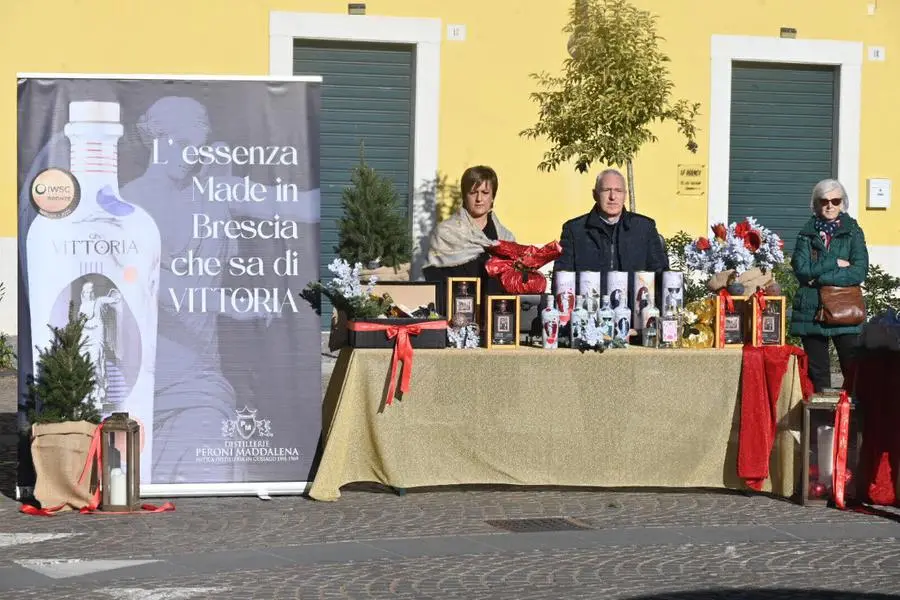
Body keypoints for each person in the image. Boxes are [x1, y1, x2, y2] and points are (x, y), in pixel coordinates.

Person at [790, 179, 869, 393]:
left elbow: (859, 271)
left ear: (843, 203)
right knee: (818, 376)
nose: (830, 205)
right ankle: (821, 425)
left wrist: (821, 278)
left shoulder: (853, 232)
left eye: (835, 200)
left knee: (853, 373)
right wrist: (833, 263)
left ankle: (849, 425)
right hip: (811, 311)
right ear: (815, 204)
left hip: (845, 310)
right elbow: (801, 270)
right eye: (824, 201)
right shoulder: (806, 234)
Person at [555, 169, 668, 287]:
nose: (612, 197)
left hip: (635, 304)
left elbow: (662, 277)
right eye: (606, 190)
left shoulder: (645, 228)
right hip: (589, 304)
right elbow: (561, 280)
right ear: (595, 194)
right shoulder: (574, 230)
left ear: (625, 195)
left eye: (618, 191)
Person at [423, 165, 515, 297]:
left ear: (493, 197)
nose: (479, 199)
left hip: (496, 312)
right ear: (464, 196)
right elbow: (433, 279)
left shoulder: (506, 238)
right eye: (473, 192)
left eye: (485, 193)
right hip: (455, 310)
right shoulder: (445, 233)